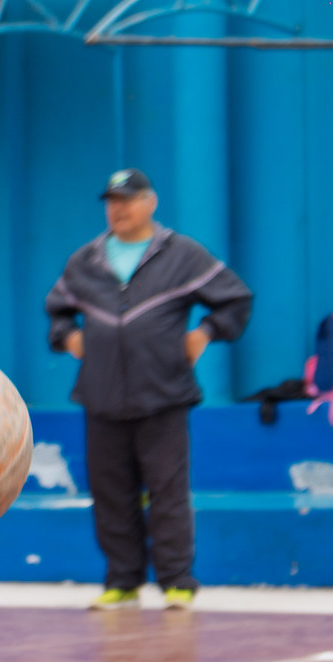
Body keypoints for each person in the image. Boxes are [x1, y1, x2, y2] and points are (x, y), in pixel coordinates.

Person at [45, 168, 252, 610]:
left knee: (167, 491)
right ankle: (122, 580)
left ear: (151, 202)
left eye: (128, 198)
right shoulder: (85, 260)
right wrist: (68, 337)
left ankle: (178, 581)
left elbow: (235, 298)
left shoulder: (182, 254)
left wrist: (205, 333)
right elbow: (57, 310)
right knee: (110, 493)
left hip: (163, 394)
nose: (118, 208)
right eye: (111, 200)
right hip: (101, 397)